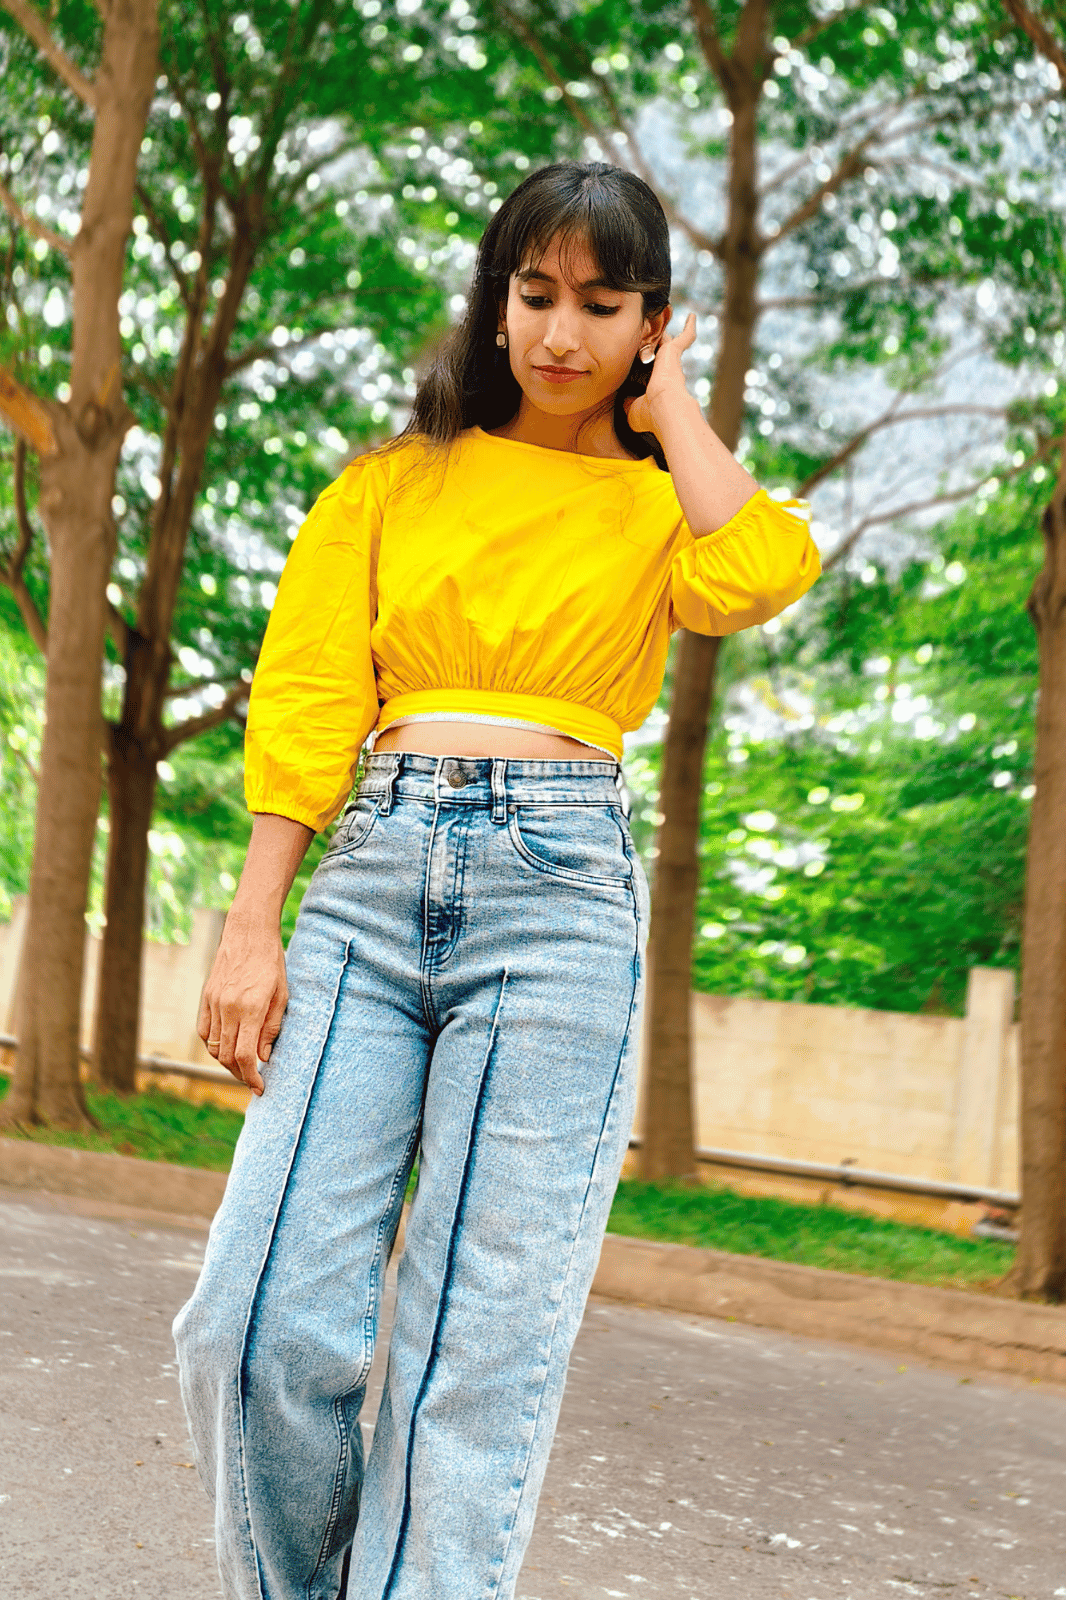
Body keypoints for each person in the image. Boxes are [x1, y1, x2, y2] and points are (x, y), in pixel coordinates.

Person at [172, 160, 820, 1600]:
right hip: (369, 874)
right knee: (255, 1321)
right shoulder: (391, 484)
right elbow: (308, 698)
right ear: (495, 299)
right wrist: (248, 926)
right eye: (535, 294)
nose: (560, 334)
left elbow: (768, 566)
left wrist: (674, 410)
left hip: (561, 890)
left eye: (603, 304)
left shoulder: (660, 509)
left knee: (473, 1352)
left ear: (651, 322)